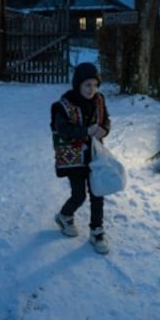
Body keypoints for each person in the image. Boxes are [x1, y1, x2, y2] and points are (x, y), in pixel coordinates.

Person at [51, 62, 111, 254]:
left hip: (94, 155)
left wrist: (105, 129)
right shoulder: (63, 105)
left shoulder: (99, 100)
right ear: (78, 84)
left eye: (95, 85)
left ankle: (96, 231)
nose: (92, 89)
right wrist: (85, 131)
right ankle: (65, 215)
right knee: (79, 195)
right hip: (74, 158)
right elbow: (62, 128)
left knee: (97, 193)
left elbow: (106, 120)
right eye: (87, 85)